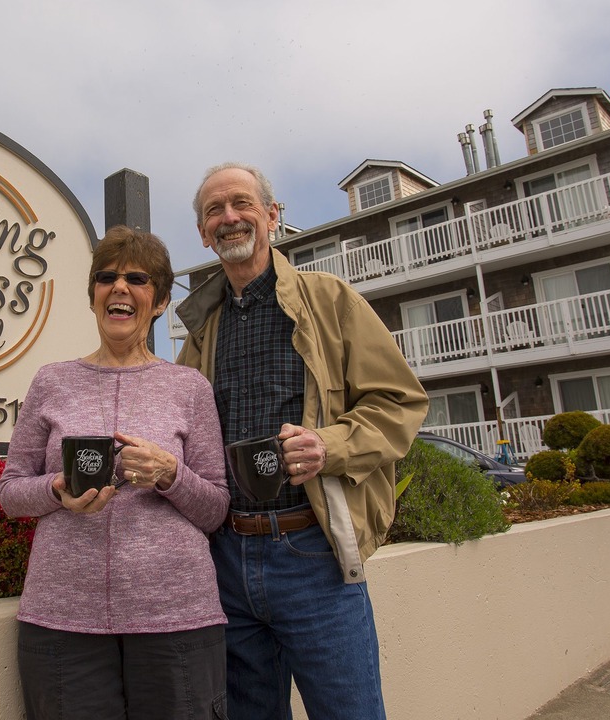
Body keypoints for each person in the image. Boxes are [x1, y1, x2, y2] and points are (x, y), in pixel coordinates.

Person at [176, 163, 429, 719]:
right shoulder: (201, 330)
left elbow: (400, 402)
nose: (229, 218)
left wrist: (329, 446)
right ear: (202, 232)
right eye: (214, 211)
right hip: (227, 560)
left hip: (313, 554)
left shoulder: (331, 301)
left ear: (271, 216)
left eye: (242, 204)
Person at [0, 225, 230, 720]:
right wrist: (57, 489)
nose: (119, 287)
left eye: (137, 279)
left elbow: (215, 508)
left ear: (160, 301)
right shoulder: (51, 381)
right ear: (93, 297)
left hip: (176, 618)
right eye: (106, 278)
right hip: (63, 618)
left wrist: (170, 474)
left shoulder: (189, 387)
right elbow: (11, 491)